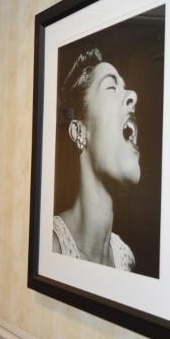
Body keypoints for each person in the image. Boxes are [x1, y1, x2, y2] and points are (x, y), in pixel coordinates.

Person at [52, 48, 138, 271]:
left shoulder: (126, 258)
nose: (132, 95)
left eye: (124, 86)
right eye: (111, 87)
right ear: (79, 132)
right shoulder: (51, 246)